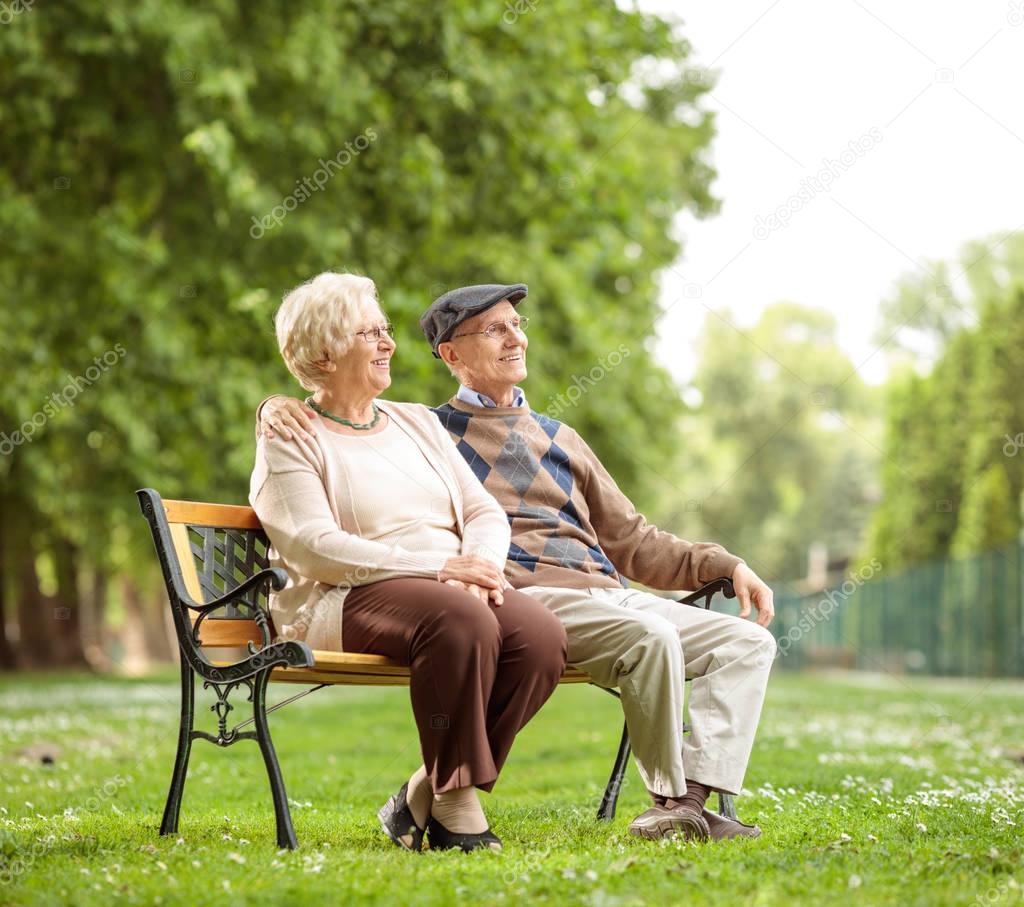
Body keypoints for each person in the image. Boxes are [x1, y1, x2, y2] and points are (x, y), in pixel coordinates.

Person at [259, 282, 776, 843]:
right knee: (636, 634)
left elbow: (630, 540)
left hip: (572, 591)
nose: (515, 337)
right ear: (451, 356)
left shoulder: (539, 437)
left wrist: (724, 565)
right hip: (495, 592)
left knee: (746, 642)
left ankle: (692, 803)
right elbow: (319, 506)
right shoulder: (438, 426)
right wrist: (276, 403)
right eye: (494, 329)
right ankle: (664, 803)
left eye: (517, 324)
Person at [249, 273, 567, 853]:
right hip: (340, 597)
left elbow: (483, 510)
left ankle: (427, 786)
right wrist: (439, 570)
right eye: (369, 332)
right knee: (460, 620)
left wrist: (480, 564)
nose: (388, 342)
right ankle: (455, 807)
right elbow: (314, 545)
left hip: (448, 588)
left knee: (541, 636)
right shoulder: (290, 436)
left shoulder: (416, 421)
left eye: (385, 329)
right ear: (323, 353)